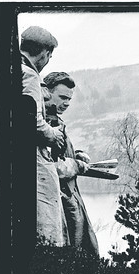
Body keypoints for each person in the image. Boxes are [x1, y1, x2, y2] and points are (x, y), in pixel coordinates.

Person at [20, 26, 68, 246]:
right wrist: (55, 134)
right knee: (47, 225)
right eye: (49, 55)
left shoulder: (12, 68)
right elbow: (34, 123)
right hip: (36, 159)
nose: (47, 61)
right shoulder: (29, 75)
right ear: (43, 53)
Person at [43, 71, 99, 256]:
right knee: (68, 252)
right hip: (59, 202)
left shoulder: (54, 119)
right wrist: (76, 165)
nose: (66, 103)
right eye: (62, 97)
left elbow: (58, 154)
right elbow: (52, 167)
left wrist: (76, 154)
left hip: (69, 199)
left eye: (69, 99)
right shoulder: (43, 122)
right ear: (46, 91)